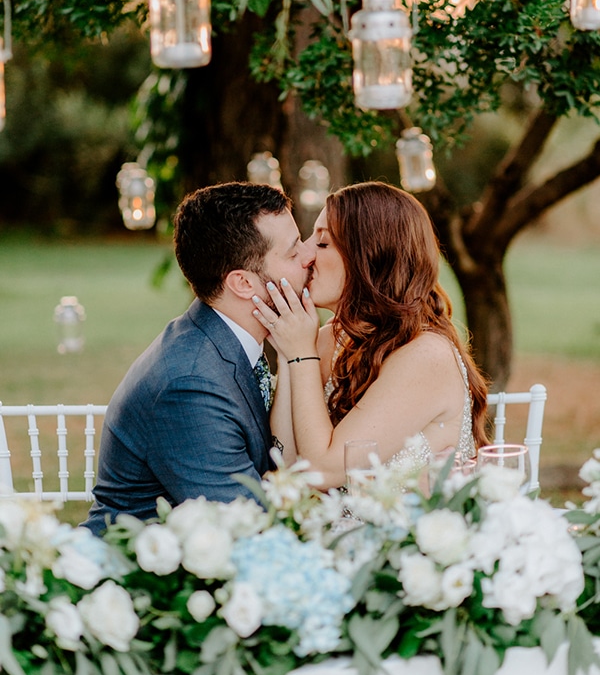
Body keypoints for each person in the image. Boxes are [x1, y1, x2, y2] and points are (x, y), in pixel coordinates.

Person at [82, 181, 315, 535]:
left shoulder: (229, 340)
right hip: (143, 576)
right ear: (243, 284)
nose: (309, 256)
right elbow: (247, 527)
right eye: (293, 252)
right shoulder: (191, 384)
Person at [253, 181, 489, 490]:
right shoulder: (327, 341)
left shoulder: (426, 356)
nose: (305, 253)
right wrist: (288, 353)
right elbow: (288, 466)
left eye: (322, 243)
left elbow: (324, 472)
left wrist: (300, 355)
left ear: (372, 259)